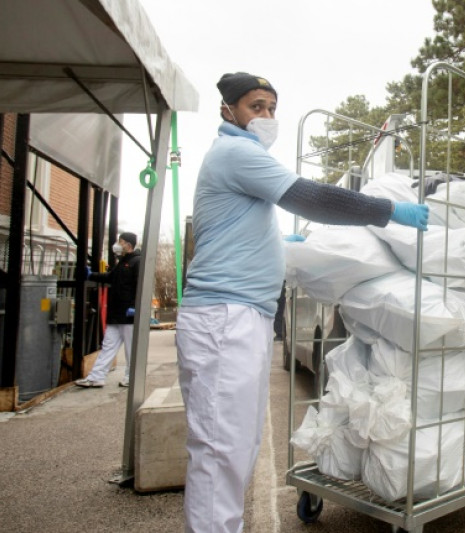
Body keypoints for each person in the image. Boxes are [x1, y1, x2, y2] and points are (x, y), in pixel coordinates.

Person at [176, 72, 428, 533]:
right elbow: (311, 198)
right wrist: (388, 211)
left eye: (272, 107)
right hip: (223, 319)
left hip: (241, 317)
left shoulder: (240, 159)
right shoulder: (237, 153)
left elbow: (243, 230)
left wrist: (278, 240)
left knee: (238, 444)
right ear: (228, 110)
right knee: (220, 449)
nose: (267, 116)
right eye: (256, 106)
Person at [76, 232, 140, 388]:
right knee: (107, 347)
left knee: (131, 350)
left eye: (121, 241)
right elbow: (111, 277)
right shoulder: (122, 263)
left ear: (129, 245)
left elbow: (140, 285)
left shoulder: (137, 262)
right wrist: (92, 276)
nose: (118, 244)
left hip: (128, 315)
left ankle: (131, 378)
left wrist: (135, 306)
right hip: (116, 314)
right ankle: (96, 377)